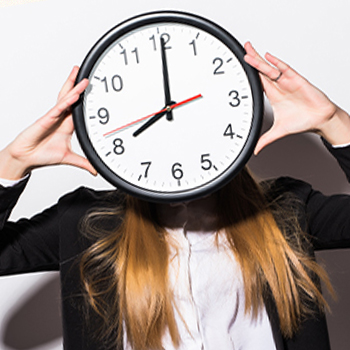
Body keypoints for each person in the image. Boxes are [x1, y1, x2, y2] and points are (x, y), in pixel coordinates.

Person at [1, 42, 350, 350]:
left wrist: (334, 121)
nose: (175, 125)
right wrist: (13, 163)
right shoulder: (85, 222)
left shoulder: (285, 207)